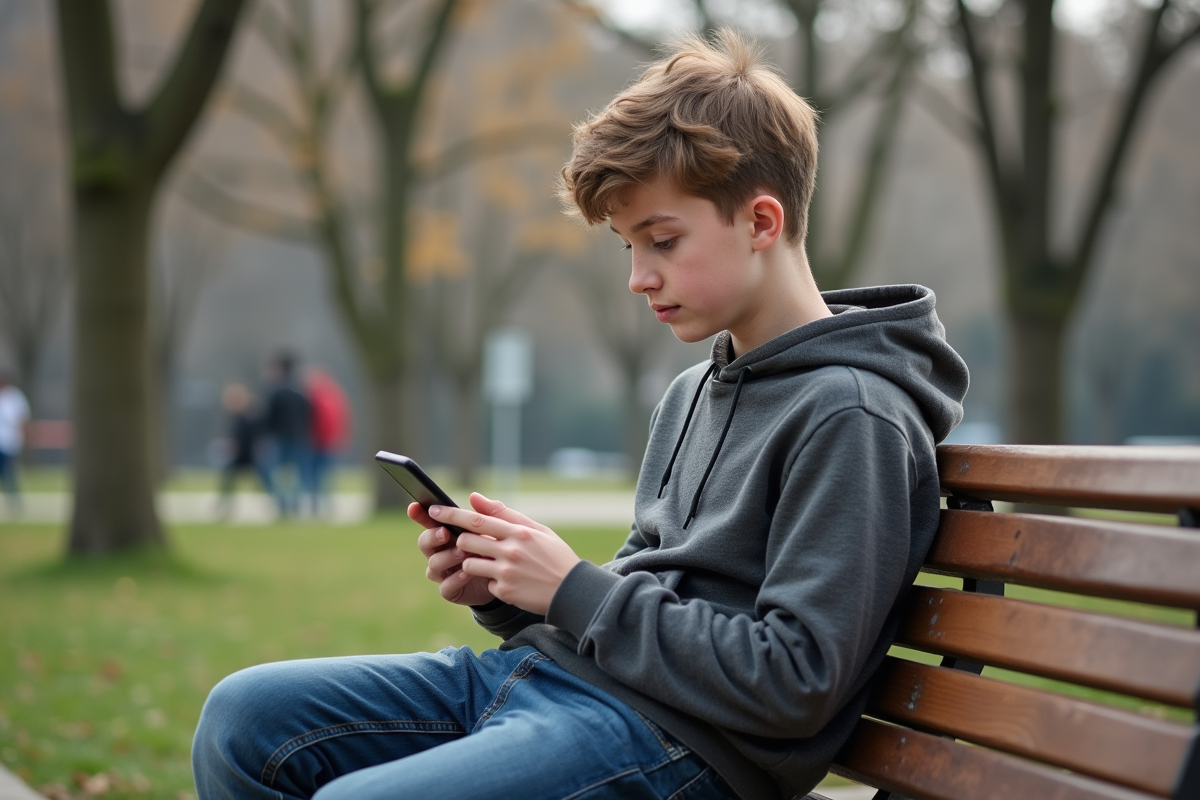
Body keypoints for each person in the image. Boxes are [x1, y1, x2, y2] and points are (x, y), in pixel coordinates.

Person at [192, 30, 968, 800]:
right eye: (628, 247)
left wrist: (571, 587)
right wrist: (507, 593)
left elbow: (794, 680)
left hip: (682, 747)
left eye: (661, 241)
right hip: (559, 685)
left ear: (761, 223)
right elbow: (640, 586)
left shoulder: (853, 416)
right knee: (244, 720)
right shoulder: (694, 391)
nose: (639, 278)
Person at [260, 352, 311, 518]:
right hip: (298, 437)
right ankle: (294, 505)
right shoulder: (299, 392)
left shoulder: (277, 392)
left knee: (274, 471)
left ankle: (283, 505)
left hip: (281, 438)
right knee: (295, 474)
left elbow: (269, 418)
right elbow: (307, 414)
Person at [214, 382, 269, 519]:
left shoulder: (246, 416)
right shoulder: (241, 416)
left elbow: (245, 437)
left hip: (247, 455)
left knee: (265, 482)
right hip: (244, 456)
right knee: (228, 481)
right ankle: (225, 507)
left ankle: (278, 506)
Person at [302, 367, 350, 518]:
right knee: (323, 476)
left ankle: (318, 507)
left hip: (319, 442)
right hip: (329, 442)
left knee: (315, 476)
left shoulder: (316, 398)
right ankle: (323, 506)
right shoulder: (335, 395)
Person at [0, 370, 31, 512]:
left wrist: (24, 439)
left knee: (8, 472)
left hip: (8, 442)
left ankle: (14, 503)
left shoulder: (15, 397)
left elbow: (22, 419)